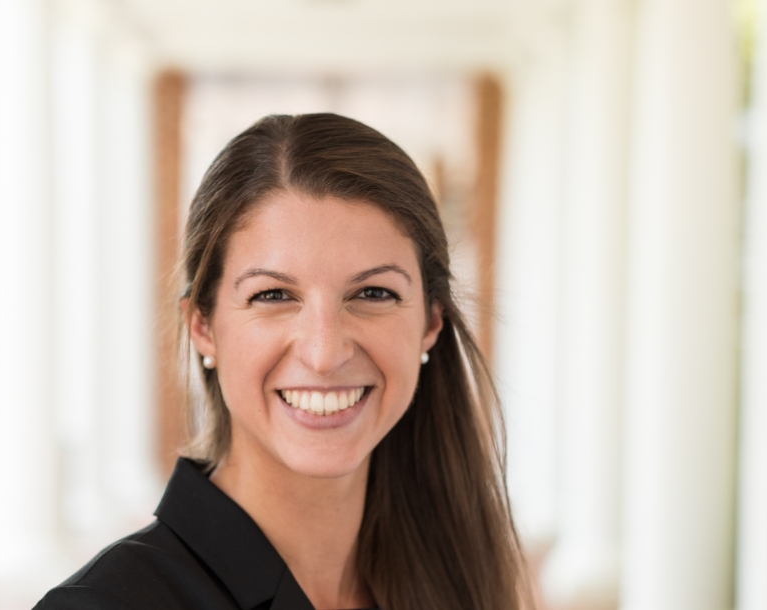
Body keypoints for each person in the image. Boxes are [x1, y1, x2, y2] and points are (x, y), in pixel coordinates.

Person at [34, 113, 533, 609]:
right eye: (273, 295)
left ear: (431, 322)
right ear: (203, 327)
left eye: (373, 292)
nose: (323, 353)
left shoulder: (462, 582)